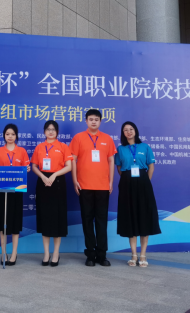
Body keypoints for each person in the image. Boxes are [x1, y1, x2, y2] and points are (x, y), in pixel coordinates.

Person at [69, 109, 116, 267]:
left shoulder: (107, 139)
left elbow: (111, 161)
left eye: (96, 119)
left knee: (102, 221)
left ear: (100, 121)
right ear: (86, 121)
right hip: (84, 185)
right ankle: (90, 254)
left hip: (103, 186)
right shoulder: (78, 138)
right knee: (87, 220)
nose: (94, 121)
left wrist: (110, 182)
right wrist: (74, 180)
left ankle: (102, 255)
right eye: (91, 119)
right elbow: (73, 160)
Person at [115, 121, 161, 268]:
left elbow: (151, 167)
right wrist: (128, 180)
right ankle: (134, 254)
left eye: (131, 129)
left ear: (135, 131)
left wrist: (145, 182)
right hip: (126, 183)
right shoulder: (120, 149)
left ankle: (143, 255)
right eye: (125, 130)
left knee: (144, 217)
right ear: (123, 133)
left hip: (143, 183)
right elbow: (119, 168)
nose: (128, 132)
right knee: (130, 217)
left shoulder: (145, 147)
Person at [31, 120, 73, 267]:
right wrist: (43, 177)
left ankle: (56, 253)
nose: (50, 132)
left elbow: (69, 166)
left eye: (53, 129)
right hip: (43, 182)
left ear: (57, 132)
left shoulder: (63, 147)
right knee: (45, 217)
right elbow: (34, 166)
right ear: (44, 132)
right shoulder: (39, 147)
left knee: (57, 218)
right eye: (48, 129)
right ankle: (46, 253)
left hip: (58, 182)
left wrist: (54, 175)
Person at [0, 124, 30, 266]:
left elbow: (26, 168)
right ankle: (3, 252)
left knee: (15, 222)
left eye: (13, 134)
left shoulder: (22, 151)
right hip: (2, 191)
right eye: (7, 134)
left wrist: (27, 169)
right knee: (2, 221)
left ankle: (14, 253)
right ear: (4, 135)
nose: (10, 136)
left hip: (17, 192)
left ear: (16, 136)